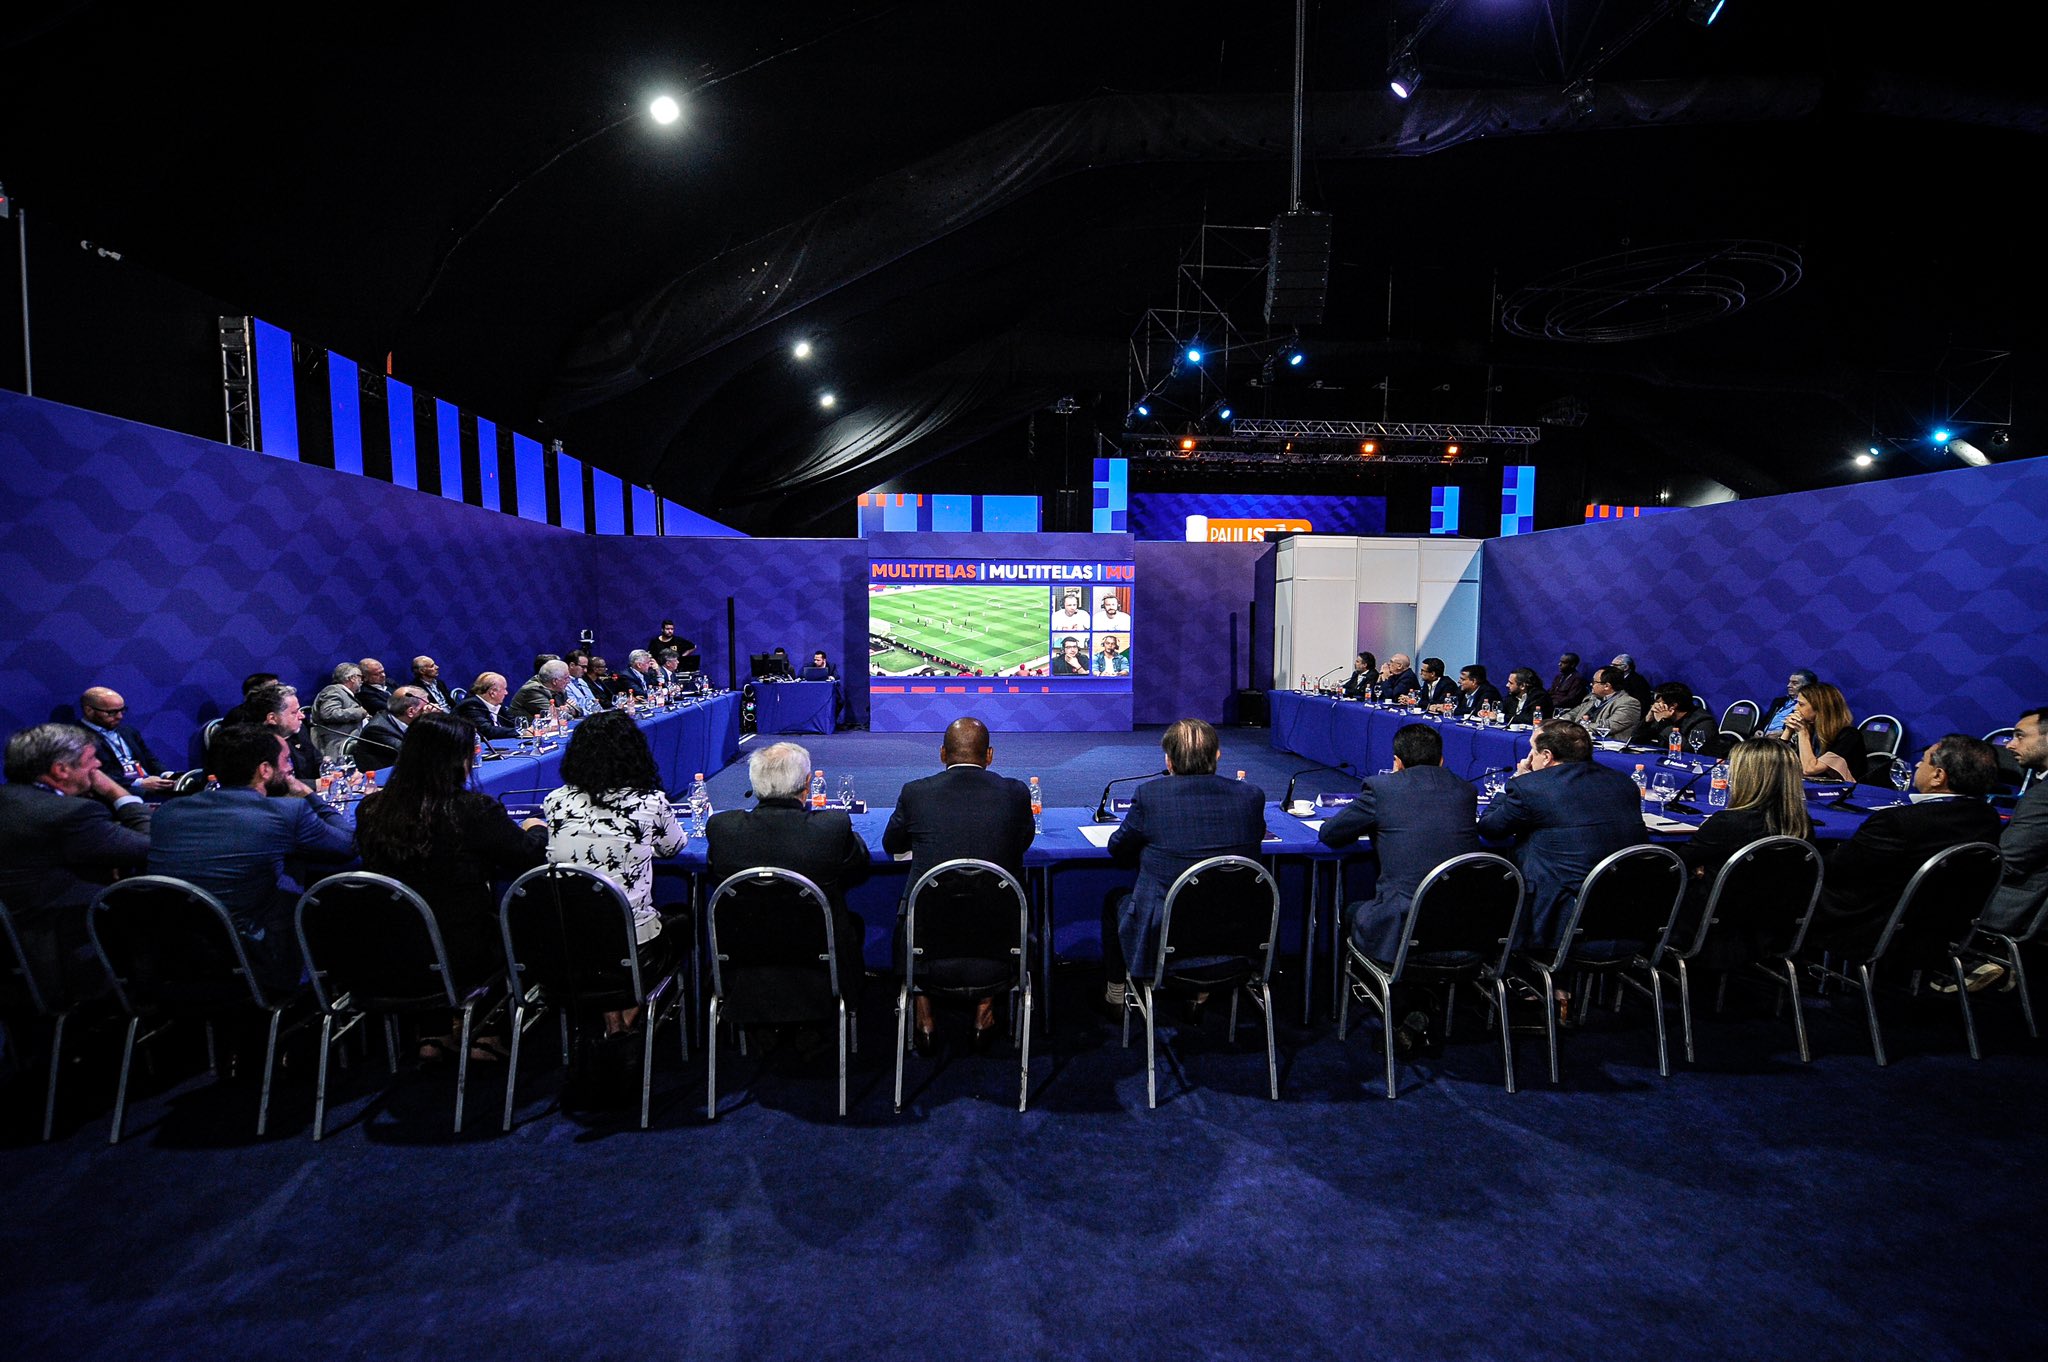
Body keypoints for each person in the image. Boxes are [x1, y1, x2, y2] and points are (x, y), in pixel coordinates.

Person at [354, 712, 548, 1060]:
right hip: (463, 950)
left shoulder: (370, 809)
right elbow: (527, 855)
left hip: (386, 948)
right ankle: (487, 1033)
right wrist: (536, 827)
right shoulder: (471, 810)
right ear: (459, 760)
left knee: (426, 919)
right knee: (521, 924)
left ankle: (435, 1032)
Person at [147, 724, 355, 987]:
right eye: (286, 760)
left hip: (172, 962)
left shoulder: (168, 812)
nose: (291, 769)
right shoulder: (288, 812)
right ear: (265, 770)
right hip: (258, 963)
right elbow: (347, 845)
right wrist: (310, 795)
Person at [1317, 723, 1481, 1052]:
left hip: (1403, 923)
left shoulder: (1382, 789)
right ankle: (1420, 1000)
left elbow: (1331, 834)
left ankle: (1396, 1003)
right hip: (1466, 928)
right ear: (1442, 760)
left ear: (1397, 762)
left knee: (1350, 912)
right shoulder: (1466, 791)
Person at [881, 717, 1035, 1052]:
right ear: (990, 755)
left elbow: (892, 845)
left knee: (914, 914)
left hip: (927, 938)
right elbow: (1022, 843)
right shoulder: (1015, 793)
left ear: (942, 754)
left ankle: (924, 1018)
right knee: (1001, 903)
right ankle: (984, 1014)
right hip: (998, 936)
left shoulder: (915, 792)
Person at [543, 710, 689, 1031]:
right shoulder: (651, 802)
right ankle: (626, 1016)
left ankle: (614, 1017)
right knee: (684, 920)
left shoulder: (555, 801)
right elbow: (674, 847)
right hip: (634, 948)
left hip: (569, 944)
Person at [1102, 719, 1266, 997]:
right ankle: (1197, 997)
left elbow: (1118, 849)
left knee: (1114, 900)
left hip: (1164, 936)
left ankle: (1116, 993)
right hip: (1238, 932)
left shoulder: (1150, 795)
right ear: (1217, 755)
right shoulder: (1250, 796)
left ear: (1168, 761)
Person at [1805, 735, 2004, 960]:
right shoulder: (1988, 818)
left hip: (1867, 925)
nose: (1918, 764)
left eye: (1925, 760)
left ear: (1938, 776)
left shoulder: (1898, 822)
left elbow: (1836, 869)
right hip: (1937, 929)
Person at [705, 742, 871, 998]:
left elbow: (712, 867)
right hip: (817, 954)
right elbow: (858, 862)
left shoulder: (722, 829)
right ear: (807, 785)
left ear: (755, 783)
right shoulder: (830, 828)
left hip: (744, 953)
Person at [0, 723, 153, 996]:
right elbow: (149, 847)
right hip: (67, 951)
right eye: (91, 761)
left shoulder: (10, 800)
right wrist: (118, 793)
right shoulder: (70, 813)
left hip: (16, 952)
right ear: (61, 770)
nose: (98, 767)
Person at [1477, 719, 1648, 951]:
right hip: (1629, 913)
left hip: (1560, 920)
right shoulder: (1624, 783)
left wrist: (1516, 779)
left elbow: (1490, 827)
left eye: (1532, 750)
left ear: (1546, 756)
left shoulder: (1530, 788)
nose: (1529, 757)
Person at [1673, 737, 1814, 960]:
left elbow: (1676, 866)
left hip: (1712, 928)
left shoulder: (1728, 823)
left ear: (1746, 777)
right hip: (1771, 927)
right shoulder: (1801, 824)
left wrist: (1702, 870)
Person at [1965, 709, 2048, 982]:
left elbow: (2007, 863)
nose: (2011, 745)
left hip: (2013, 905)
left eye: (2020, 736)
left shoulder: (2043, 797)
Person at [78, 686, 177, 795]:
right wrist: (138, 783)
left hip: (149, 784)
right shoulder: (76, 737)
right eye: (112, 712)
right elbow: (93, 774)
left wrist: (166, 774)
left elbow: (150, 758)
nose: (120, 716)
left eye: (122, 710)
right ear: (89, 710)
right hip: (116, 792)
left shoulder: (129, 731)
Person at [1782, 681, 1878, 784]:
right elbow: (1772, 764)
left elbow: (1810, 769)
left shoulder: (1849, 735)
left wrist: (1803, 734)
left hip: (1844, 794)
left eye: (1801, 704)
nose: (1795, 708)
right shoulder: (1809, 728)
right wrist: (1788, 731)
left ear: (1820, 708)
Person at [240, 683, 324, 784]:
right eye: (294, 712)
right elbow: (276, 784)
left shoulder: (300, 731)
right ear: (272, 718)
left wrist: (332, 774)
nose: (302, 716)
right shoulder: (255, 745)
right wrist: (317, 784)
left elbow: (317, 761)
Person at [353, 686, 429, 773]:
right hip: (381, 781)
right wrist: (430, 722)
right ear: (411, 712)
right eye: (425, 707)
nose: (430, 709)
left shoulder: (399, 719)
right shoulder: (378, 729)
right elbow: (415, 755)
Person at [1637, 683, 1719, 755]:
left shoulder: (1704, 722)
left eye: (1658, 703)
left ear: (1673, 706)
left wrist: (1665, 723)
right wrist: (1647, 720)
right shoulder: (1662, 716)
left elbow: (1689, 750)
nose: (1654, 706)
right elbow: (1636, 740)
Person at [311, 663, 371, 760]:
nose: (362, 681)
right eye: (360, 677)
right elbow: (329, 713)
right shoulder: (333, 690)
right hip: (337, 744)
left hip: (352, 742)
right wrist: (359, 713)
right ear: (352, 678)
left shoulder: (344, 693)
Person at [1569, 667, 1642, 744]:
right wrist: (1559, 722)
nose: (1591, 684)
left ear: (1607, 686)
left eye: (1594, 682)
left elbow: (1608, 727)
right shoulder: (1592, 698)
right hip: (1583, 742)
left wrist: (1577, 727)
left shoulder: (1629, 703)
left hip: (1610, 748)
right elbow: (1572, 714)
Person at [508, 658, 577, 725]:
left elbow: (578, 709)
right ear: (555, 681)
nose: (569, 681)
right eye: (566, 678)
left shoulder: (560, 689)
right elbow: (553, 716)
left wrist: (567, 709)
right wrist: (566, 710)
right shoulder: (533, 690)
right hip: (525, 732)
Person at [455, 673, 521, 739]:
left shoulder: (497, 704)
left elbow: (511, 721)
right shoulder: (471, 705)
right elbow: (487, 731)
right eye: (504, 689)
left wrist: (528, 728)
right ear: (492, 693)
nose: (506, 693)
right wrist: (519, 732)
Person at [1759, 669, 1818, 737]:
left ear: (1807, 686)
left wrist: (1784, 733)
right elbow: (1764, 720)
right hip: (1764, 738)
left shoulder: (1809, 705)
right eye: (1789, 682)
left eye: (1795, 683)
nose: (1788, 685)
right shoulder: (1779, 701)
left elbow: (1807, 727)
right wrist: (1759, 730)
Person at [563, 650, 605, 715]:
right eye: (583, 667)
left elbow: (594, 703)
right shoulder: (564, 683)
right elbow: (576, 710)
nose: (585, 671)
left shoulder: (582, 681)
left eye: (586, 667)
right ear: (572, 665)